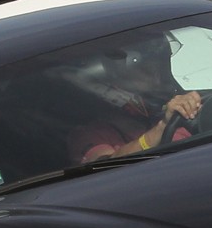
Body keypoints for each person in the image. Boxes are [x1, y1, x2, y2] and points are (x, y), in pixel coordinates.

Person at [66, 34, 202, 163]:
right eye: (144, 68)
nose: (155, 77)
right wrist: (163, 127)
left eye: (158, 66)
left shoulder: (174, 110)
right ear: (114, 73)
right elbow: (105, 166)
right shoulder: (90, 134)